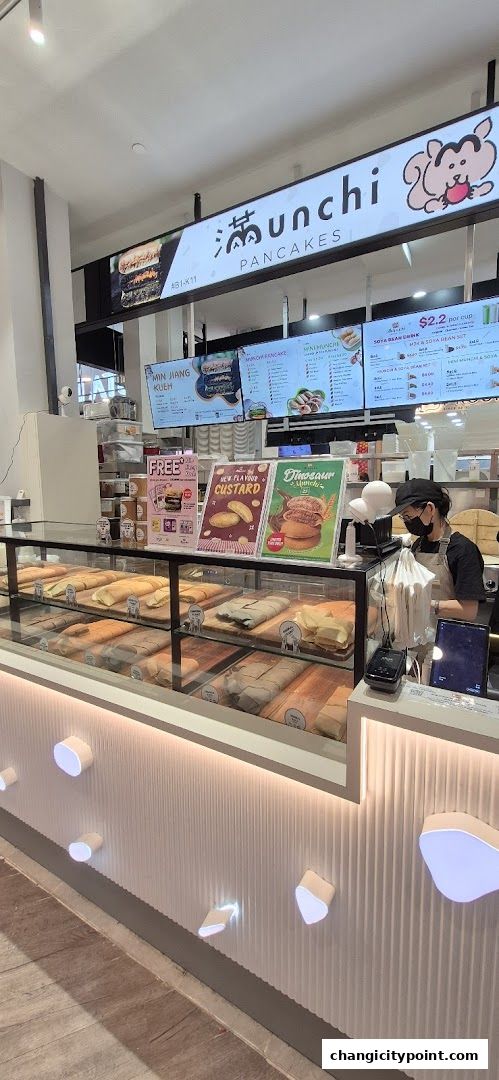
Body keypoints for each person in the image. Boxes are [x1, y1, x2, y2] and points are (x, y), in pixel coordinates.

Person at [394, 478, 485, 625]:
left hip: (446, 638)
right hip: (417, 635)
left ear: (430, 509)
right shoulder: (418, 545)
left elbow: (469, 610)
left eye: (408, 516)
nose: (407, 522)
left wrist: (426, 605)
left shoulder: (463, 549)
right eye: (403, 518)